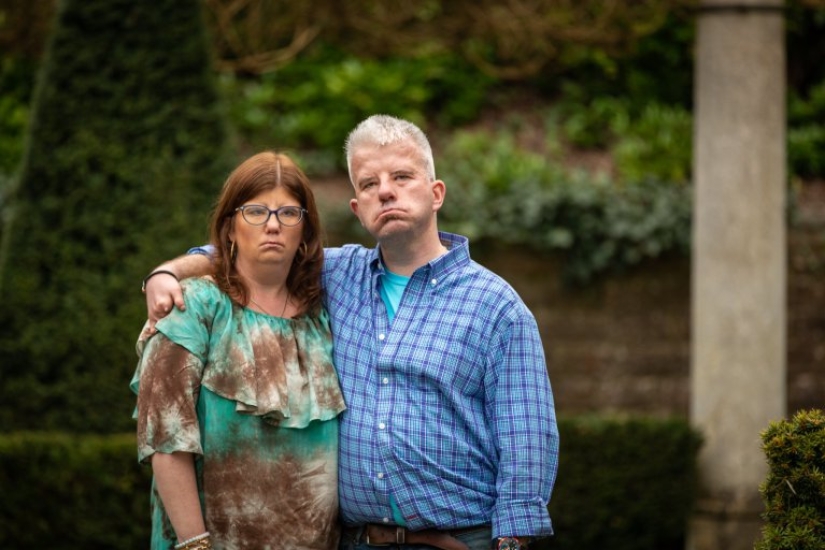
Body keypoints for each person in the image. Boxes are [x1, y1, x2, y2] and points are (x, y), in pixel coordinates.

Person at [144, 115, 559, 550]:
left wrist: (511, 545)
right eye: (368, 184)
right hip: (359, 541)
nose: (385, 190)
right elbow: (254, 248)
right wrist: (167, 272)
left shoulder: (496, 307)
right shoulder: (339, 276)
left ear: (436, 193)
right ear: (358, 209)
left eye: (402, 176)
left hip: (459, 540)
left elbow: (527, 440)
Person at [131, 151, 346, 550]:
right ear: (230, 228)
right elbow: (166, 440)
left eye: (288, 213)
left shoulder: (323, 316)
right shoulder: (192, 307)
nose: (272, 225)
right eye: (255, 211)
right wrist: (196, 545)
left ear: (304, 233)